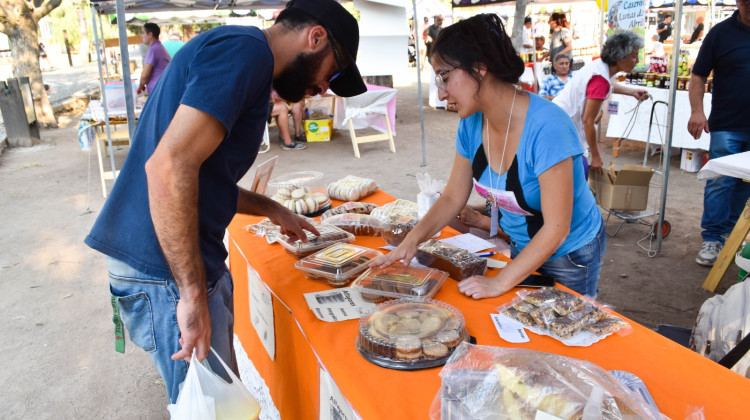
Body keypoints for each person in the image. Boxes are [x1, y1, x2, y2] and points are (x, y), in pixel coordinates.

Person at [84, 0, 366, 403]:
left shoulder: (245, 54)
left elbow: (201, 177)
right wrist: (193, 294)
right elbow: (168, 167)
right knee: (210, 406)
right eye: (332, 73)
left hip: (170, 266)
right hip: (163, 266)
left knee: (217, 401)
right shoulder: (247, 52)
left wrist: (273, 209)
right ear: (314, 37)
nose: (324, 88)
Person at [372, 14, 606, 298]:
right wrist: (411, 242)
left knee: (564, 329)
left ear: (480, 68)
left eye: (445, 77)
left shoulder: (548, 126)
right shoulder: (471, 123)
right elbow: (451, 197)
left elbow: (557, 227)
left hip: (569, 252)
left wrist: (499, 282)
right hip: (523, 245)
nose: (441, 92)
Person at [687, 3, 750, 266]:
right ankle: (712, 238)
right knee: (720, 181)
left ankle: (731, 235)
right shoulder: (720, 33)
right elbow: (698, 75)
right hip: (726, 123)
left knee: (745, 183)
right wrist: (696, 111)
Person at [553, 32, 649, 179]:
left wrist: (632, 92)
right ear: (620, 58)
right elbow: (588, 121)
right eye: (634, 56)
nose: (637, 60)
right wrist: (596, 156)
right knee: (578, 176)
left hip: (562, 124)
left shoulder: (602, 67)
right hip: (563, 128)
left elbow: (608, 86)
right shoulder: (600, 78)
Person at [137, 23, 171, 95]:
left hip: (159, 91)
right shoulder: (159, 47)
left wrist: (141, 86)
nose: (141, 36)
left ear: (150, 34)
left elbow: (145, 75)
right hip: (162, 89)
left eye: (143, 33)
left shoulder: (153, 49)